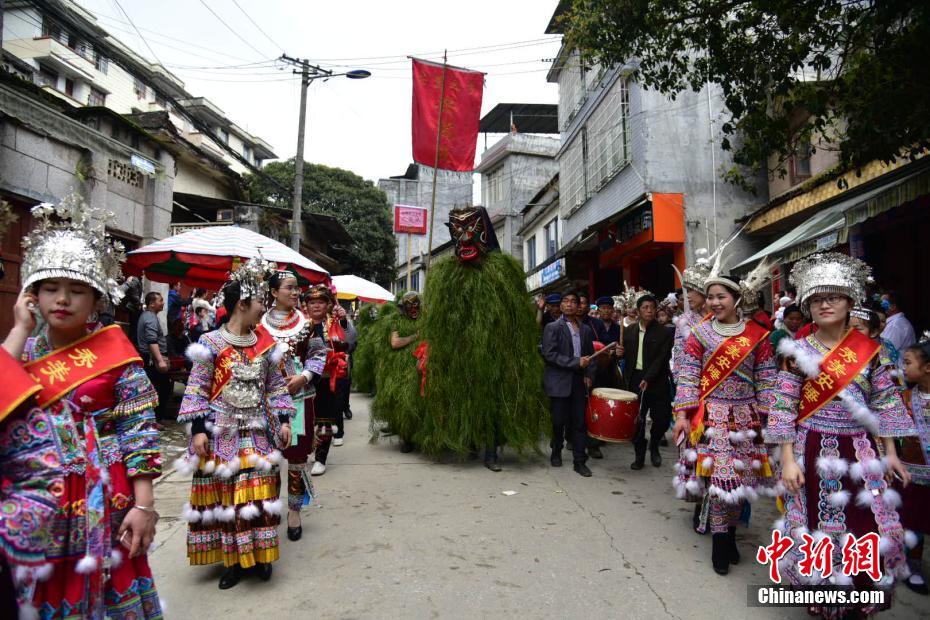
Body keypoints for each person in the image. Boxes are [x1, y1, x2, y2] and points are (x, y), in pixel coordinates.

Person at [5, 197, 163, 617]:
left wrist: (143, 505)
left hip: (106, 495)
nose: (62, 300)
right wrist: (19, 330)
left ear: (95, 299)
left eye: (76, 290)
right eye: (50, 288)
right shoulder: (22, 351)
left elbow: (140, 431)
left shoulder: (117, 353)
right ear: (32, 296)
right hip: (39, 501)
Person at [768, 253, 914, 617]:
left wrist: (892, 453)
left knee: (866, 528)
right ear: (807, 307)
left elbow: (885, 402)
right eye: (816, 299)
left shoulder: (871, 352)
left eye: (834, 296)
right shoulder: (796, 352)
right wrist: (787, 460)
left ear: (851, 302)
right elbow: (783, 407)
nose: (825, 304)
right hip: (810, 449)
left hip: (861, 451)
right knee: (817, 530)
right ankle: (825, 599)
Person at [176, 258, 294, 589]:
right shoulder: (210, 343)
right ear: (243, 304)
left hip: (257, 430)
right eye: (260, 303)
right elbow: (197, 389)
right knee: (227, 498)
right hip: (221, 430)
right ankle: (233, 562)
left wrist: (284, 420)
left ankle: (261, 557)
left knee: (258, 494)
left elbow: (276, 387)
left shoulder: (266, 344)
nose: (264, 309)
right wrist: (198, 429)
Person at [415, 207, 546, 471]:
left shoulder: (503, 271)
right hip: (461, 353)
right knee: (465, 400)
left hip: (496, 352)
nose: (464, 238)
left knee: (492, 401)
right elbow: (439, 320)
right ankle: (471, 442)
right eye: (457, 231)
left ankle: (490, 453)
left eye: (472, 230)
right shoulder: (446, 276)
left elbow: (515, 315)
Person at [672, 264, 776, 576]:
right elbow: (688, 377)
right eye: (711, 297)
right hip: (712, 418)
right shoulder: (699, 335)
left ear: (736, 299)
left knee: (741, 483)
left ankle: (730, 534)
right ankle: (720, 541)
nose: (715, 302)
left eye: (721, 297)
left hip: (746, 419)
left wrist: (772, 420)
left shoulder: (758, 336)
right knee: (720, 483)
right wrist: (682, 416)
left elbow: (767, 379)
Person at [260, 270, 325, 542]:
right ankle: (270, 506)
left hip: (301, 398)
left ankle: (294, 511)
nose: (296, 292)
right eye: (289, 288)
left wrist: (304, 377)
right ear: (274, 292)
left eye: (297, 288)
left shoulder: (309, 323)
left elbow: (319, 354)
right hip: (267, 401)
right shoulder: (259, 324)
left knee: (297, 458)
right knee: (269, 458)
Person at [542, 291, 597, 477]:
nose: (570, 305)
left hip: (578, 381)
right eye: (566, 301)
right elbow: (549, 355)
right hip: (559, 381)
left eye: (574, 302)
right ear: (561, 305)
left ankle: (580, 461)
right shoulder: (552, 327)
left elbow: (591, 357)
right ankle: (556, 449)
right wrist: (575, 363)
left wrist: (589, 374)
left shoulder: (586, 330)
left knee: (579, 423)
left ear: (579, 306)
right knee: (558, 422)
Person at [618, 294, 674, 469]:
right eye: (645, 307)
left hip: (657, 380)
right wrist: (618, 353)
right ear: (638, 311)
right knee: (637, 420)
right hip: (635, 379)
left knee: (662, 419)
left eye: (652, 307)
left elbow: (661, 359)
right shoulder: (629, 331)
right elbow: (624, 354)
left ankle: (655, 444)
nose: (649, 311)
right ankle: (639, 454)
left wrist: (648, 378)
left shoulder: (664, 332)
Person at [303, 285, 350, 476]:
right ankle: (312, 449)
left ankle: (321, 458)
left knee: (325, 419)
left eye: (320, 302)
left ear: (328, 304)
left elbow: (349, 340)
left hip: (328, 377)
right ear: (306, 306)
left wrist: (344, 320)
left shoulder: (335, 322)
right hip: (304, 378)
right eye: (312, 302)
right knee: (308, 419)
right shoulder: (300, 325)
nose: (316, 306)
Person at [370, 292, 422, 453]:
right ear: (403, 308)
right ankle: (406, 438)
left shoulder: (426, 319)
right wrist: (415, 337)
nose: (413, 308)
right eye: (409, 305)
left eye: (416, 304)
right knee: (405, 404)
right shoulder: (396, 321)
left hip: (423, 366)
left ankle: (422, 436)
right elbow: (395, 343)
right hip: (402, 369)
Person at [899, 335, 930, 595]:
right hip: (913, 473)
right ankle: (912, 565)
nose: (903, 368)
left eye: (908, 362)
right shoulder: (905, 398)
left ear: (927, 367)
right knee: (914, 522)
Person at [137, 291, 173, 421]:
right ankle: (154, 419)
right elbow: (151, 341)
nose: (163, 303)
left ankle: (154, 419)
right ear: (152, 304)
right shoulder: (150, 318)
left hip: (151, 358)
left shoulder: (149, 316)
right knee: (160, 389)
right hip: (152, 360)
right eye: (160, 300)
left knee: (159, 388)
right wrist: (160, 360)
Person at [881, 291, 917, 363]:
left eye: (883, 303)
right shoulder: (895, 323)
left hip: (897, 371)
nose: (880, 305)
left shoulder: (896, 326)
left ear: (893, 307)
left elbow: (884, 352)